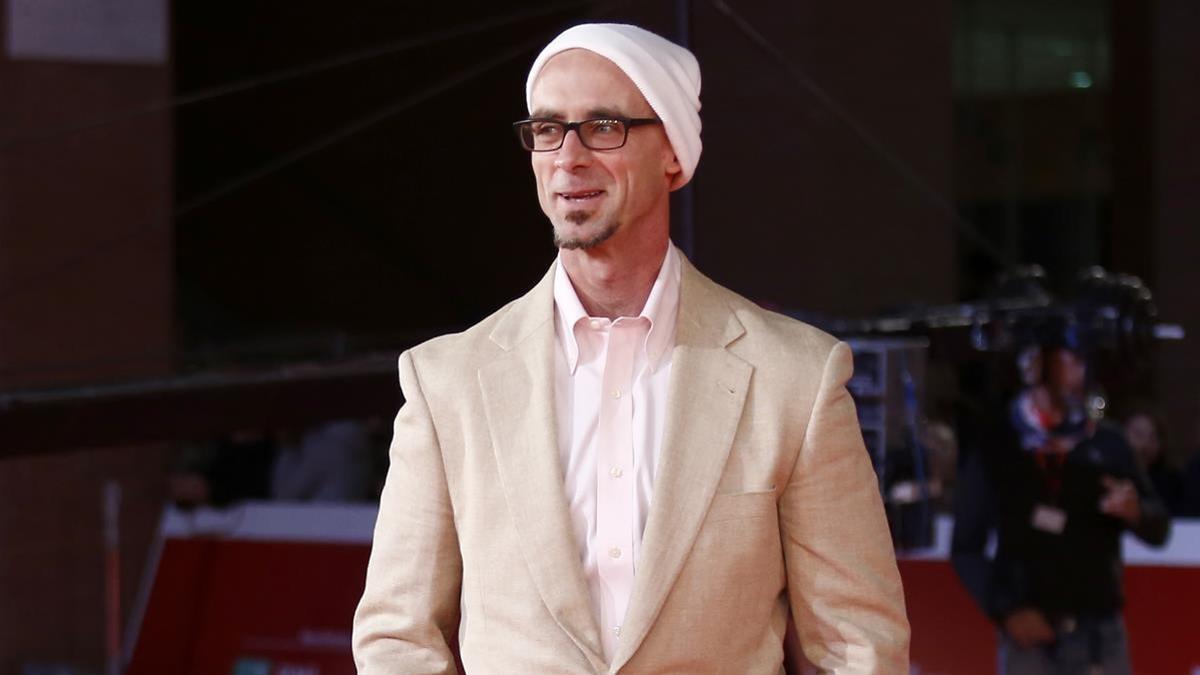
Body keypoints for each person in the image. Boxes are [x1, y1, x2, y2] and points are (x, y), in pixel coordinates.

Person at [352, 23, 909, 673]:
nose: (568, 158)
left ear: (673, 152)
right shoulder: (446, 380)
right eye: (548, 129)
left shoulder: (795, 377)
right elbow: (397, 636)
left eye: (604, 126)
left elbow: (858, 643)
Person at [951, 344, 1170, 675]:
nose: (1078, 372)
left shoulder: (1107, 441)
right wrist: (1006, 609)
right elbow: (966, 546)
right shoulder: (997, 443)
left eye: (1082, 360)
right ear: (1036, 365)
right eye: (1067, 360)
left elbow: (1159, 527)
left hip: (1099, 632)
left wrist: (1137, 512)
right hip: (1029, 634)